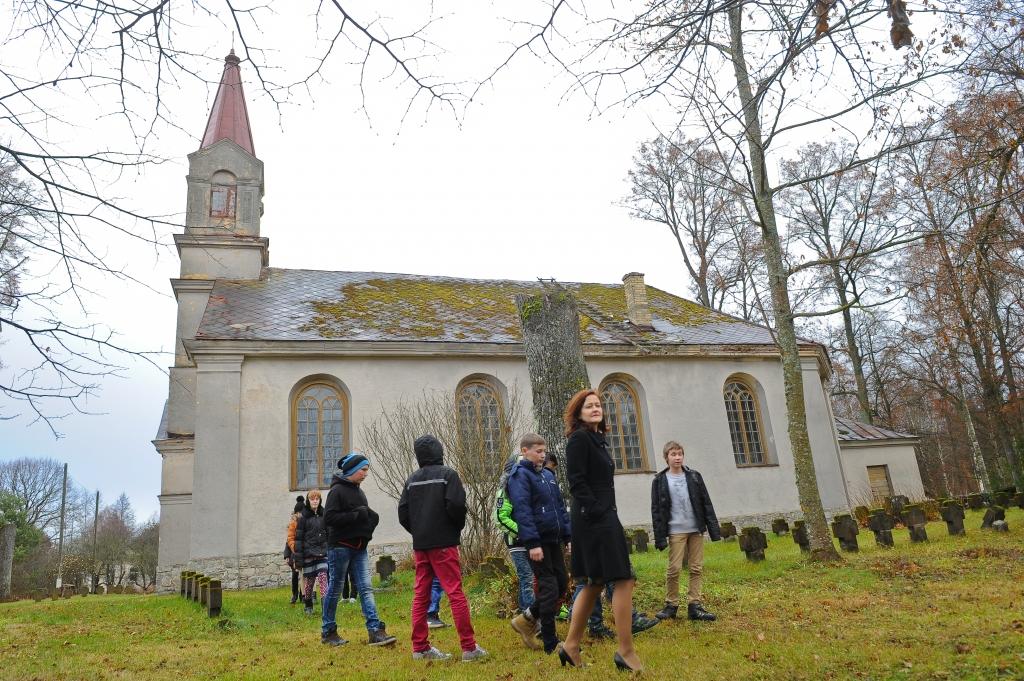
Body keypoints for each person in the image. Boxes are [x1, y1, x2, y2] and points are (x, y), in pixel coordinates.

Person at [558, 389, 643, 672]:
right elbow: (576, 482)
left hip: (602, 516)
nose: (595, 408)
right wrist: (597, 512)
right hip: (595, 519)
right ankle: (626, 651)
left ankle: (570, 646)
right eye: (589, 405)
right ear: (578, 412)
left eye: (598, 405)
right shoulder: (579, 439)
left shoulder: (598, 439)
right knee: (623, 579)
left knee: (595, 583)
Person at [398, 434, 487, 662]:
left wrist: (419, 531)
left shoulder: (411, 480)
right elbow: (457, 505)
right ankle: (469, 647)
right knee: (455, 592)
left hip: (422, 545)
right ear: (440, 451)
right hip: (444, 544)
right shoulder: (448, 475)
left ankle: (419, 647)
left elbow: (403, 514)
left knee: (421, 594)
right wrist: (453, 529)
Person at [320, 453, 397, 647]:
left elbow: (362, 516)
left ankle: (375, 631)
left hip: (359, 548)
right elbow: (329, 519)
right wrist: (356, 515)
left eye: (366, 470)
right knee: (335, 589)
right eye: (363, 470)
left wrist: (370, 519)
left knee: (366, 588)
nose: (366, 474)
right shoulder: (336, 491)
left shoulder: (359, 492)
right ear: (352, 470)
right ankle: (328, 631)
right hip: (340, 548)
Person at [507, 433, 571, 654]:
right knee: (549, 588)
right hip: (537, 542)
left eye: (544, 451)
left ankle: (527, 619)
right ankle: (551, 642)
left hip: (554, 540)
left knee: (562, 583)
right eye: (538, 451)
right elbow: (522, 511)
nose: (543, 455)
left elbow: (559, 507)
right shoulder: (520, 476)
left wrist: (567, 536)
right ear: (525, 451)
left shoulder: (547, 475)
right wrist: (532, 543)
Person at [651, 440, 721, 621]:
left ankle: (694, 606)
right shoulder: (659, 480)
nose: (677, 457)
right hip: (676, 530)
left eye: (680, 454)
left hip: (695, 529)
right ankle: (671, 605)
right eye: (673, 454)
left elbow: (706, 502)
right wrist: (659, 537)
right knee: (674, 568)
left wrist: (713, 529)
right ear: (666, 457)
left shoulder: (694, 476)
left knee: (696, 567)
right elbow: (656, 510)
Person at [495, 451, 538, 620]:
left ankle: (523, 610)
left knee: (529, 578)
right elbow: (500, 518)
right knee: (527, 577)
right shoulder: (504, 491)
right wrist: (522, 531)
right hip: (517, 541)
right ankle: (530, 617)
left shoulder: (528, 488)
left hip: (532, 540)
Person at [294, 490, 329, 615]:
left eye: (317, 499)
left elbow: (329, 533)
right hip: (308, 554)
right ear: (308, 501)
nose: (315, 501)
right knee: (309, 583)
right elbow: (298, 539)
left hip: (322, 553)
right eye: (312, 499)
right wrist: (298, 559)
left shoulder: (324, 514)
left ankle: (326, 608)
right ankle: (308, 603)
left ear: (320, 501)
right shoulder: (303, 517)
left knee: (323, 578)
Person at [284, 495, 304, 605]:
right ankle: (295, 594)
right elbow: (288, 541)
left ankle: (303, 594)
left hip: (303, 552)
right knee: (295, 575)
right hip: (293, 554)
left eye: (302, 512)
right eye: (298, 513)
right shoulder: (292, 524)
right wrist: (287, 555)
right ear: (295, 513)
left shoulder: (306, 523)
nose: (300, 515)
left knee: (304, 575)